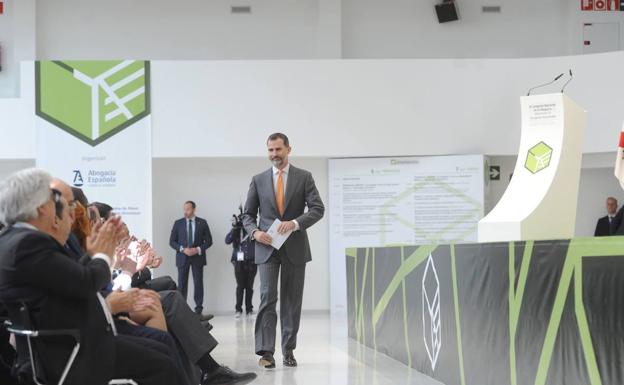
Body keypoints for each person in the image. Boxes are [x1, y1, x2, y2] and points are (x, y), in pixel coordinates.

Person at [0, 168, 181, 385]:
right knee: (162, 363)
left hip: (60, 343)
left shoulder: (15, 240)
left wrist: (95, 255)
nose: (61, 208)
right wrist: (103, 255)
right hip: (71, 349)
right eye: (55, 201)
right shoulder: (29, 243)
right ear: (41, 207)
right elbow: (86, 284)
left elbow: (72, 278)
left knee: (161, 352)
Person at [242, 132, 325, 368]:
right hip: (266, 248)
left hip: (295, 248)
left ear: (289, 149)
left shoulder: (304, 177)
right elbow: (247, 215)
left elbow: (317, 208)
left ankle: (288, 350)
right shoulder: (258, 180)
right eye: (270, 150)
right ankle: (266, 353)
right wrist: (256, 233)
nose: (274, 155)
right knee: (267, 298)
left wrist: (296, 223)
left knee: (291, 301)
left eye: (278, 149)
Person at [169, 201, 213, 316]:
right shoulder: (178, 223)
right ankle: (182, 310)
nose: (185, 212)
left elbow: (209, 241)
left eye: (188, 209)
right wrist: (183, 249)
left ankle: (198, 310)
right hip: (182, 258)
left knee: (198, 283)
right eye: (184, 209)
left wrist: (197, 249)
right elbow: (172, 242)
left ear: (194, 209)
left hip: (197, 258)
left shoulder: (202, 223)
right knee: (182, 284)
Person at [225, 209, 257, 318]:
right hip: (238, 262)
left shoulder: (254, 229)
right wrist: (235, 228)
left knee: (249, 286)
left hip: (252, 261)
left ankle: (249, 309)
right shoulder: (236, 230)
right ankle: (238, 309)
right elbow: (227, 240)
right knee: (240, 286)